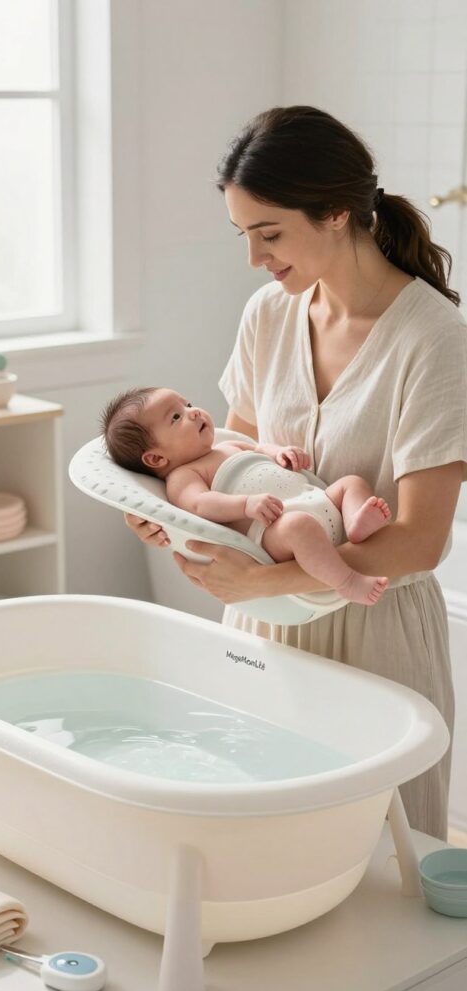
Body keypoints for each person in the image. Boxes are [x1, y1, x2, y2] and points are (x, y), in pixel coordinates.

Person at [125, 106, 467, 840]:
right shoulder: (268, 315)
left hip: (373, 627)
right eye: (242, 234)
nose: (253, 258)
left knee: (383, 864)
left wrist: (264, 581)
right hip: (261, 631)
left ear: (336, 213)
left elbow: (418, 543)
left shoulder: (433, 341)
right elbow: (231, 452)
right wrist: (171, 514)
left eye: (269, 233)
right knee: (259, 842)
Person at [103, 385, 391, 605]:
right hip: (272, 527)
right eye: (176, 417)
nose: (193, 411)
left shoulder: (227, 447)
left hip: (312, 498)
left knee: (351, 483)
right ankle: (347, 580)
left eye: (188, 403)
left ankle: (356, 522)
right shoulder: (183, 476)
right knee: (299, 527)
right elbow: (201, 505)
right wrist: (246, 504)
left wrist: (280, 453)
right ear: (155, 459)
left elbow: (260, 449)